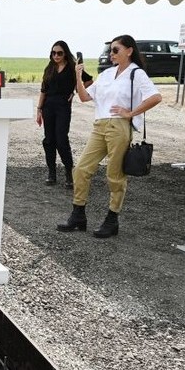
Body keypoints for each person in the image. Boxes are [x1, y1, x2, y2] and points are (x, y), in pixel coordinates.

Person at [57, 34, 162, 238]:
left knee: (114, 175)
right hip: (100, 125)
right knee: (81, 169)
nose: (111, 54)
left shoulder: (136, 74)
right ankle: (78, 216)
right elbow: (85, 96)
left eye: (116, 50)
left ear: (129, 50)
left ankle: (112, 219)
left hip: (119, 126)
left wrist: (131, 113)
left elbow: (156, 97)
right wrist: (78, 77)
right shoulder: (106, 74)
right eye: (110, 50)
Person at [36, 40, 93, 188]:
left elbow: (89, 81)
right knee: (49, 140)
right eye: (53, 53)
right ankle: (52, 173)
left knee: (61, 140)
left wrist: (75, 91)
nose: (56, 55)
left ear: (65, 53)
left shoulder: (72, 68)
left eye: (59, 53)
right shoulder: (49, 68)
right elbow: (43, 90)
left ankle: (69, 172)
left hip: (63, 107)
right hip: (48, 107)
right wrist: (39, 109)